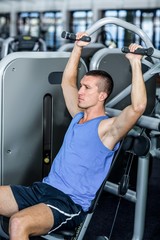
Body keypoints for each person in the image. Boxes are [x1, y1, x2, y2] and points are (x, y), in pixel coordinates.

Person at [0, 32, 147, 240]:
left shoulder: (107, 129)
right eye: (82, 86)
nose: (80, 91)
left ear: (102, 95)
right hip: (43, 188)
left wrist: (135, 62)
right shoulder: (78, 116)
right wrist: (78, 48)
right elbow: (67, 83)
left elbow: (138, 106)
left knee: (18, 223)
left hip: (68, 202)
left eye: (87, 88)